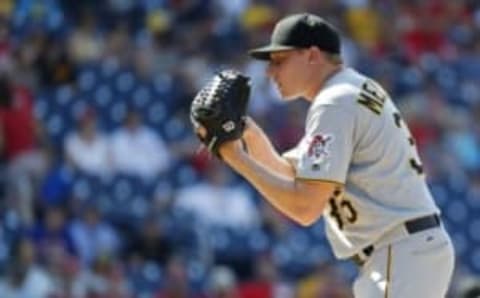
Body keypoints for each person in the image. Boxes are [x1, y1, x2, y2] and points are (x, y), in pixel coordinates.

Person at [206, 13, 455, 297]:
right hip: (404, 252)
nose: (270, 72)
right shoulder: (349, 89)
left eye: (280, 60)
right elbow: (292, 172)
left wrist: (233, 156)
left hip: (399, 252)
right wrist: (247, 132)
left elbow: (304, 207)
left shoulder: (334, 103)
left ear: (312, 55)